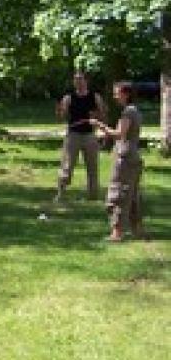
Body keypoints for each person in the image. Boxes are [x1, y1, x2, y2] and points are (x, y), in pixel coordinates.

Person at [89, 82, 145, 242]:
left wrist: (100, 126)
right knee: (132, 195)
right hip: (133, 156)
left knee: (118, 193)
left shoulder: (128, 112)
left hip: (126, 158)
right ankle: (137, 230)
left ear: (126, 94)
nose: (114, 96)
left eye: (117, 93)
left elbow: (119, 134)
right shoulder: (134, 110)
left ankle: (117, 233)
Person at [55, 71, 106, 201]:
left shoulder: (95, 97)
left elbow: (103, 114)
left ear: (86, 81)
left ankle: (93, 196)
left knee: (92, 167)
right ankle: (61, 193)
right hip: (73, 135)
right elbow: (62, 116)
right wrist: (60, 110)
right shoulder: (69, 98)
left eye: (80, 79)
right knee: (67, 165)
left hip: (89, 135)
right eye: (75, 79)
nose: (78, 82)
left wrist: (98, 120)